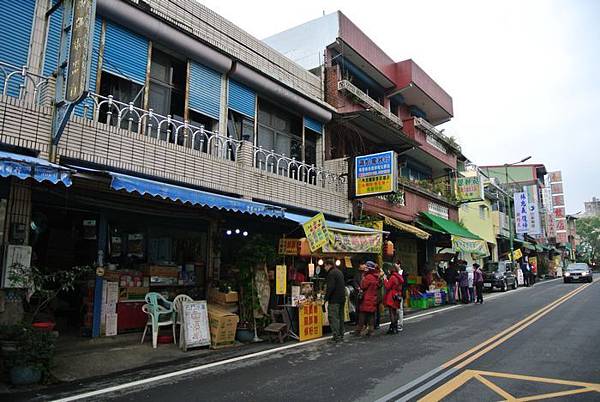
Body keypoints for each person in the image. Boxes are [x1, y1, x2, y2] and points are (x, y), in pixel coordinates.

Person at [324, 259, 346, 343]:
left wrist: (326, 298)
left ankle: (336, 336)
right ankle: (341, 334)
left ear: (328, 265)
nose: (324, 268)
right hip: (342, 298)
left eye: (325, 266)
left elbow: (330, 287)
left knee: (333, 317)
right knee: (340, 317)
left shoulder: (331, 273)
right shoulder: (339, 272)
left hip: (334, 299)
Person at [355, 261, 379, 336]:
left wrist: (363, 277)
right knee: (371, 315)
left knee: (362, 315)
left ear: (369, 268)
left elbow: (363, 286)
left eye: (366, 267)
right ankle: (371, 331)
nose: (365, 268)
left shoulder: (368, 277)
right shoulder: (375, 277)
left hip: (366, 299)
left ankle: (358, 330)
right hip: (373, 298)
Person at [384, 261, 405, 334]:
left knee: (391, 312)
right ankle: (395, 326)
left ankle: (393, 327)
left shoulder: (392, 277)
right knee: (395, 311)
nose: (388, 271)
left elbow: (387, 286)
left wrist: (385, 280)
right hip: (397, 295)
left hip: (392, 295)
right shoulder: (399, 277)